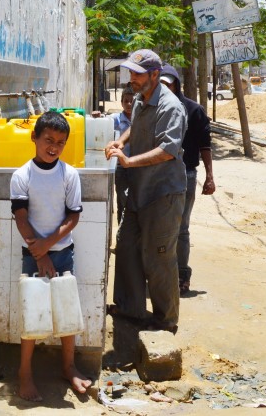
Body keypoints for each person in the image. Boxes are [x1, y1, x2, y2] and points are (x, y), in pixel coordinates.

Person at [10, 110, 92, 401]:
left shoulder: (69, 174)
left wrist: (49, 246)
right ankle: (25, 373)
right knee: (32, 312)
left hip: (62, 253)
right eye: (48, 140)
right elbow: (21, 219)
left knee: (66, 309)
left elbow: (73, 218)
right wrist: (39, 252)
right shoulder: (22, 176)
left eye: (60, 141)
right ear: (34, 138)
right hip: (33, 255)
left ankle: (68, 367)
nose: (53, 147)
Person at [105, 49, 187, 333]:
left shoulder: (171, 107)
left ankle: (165, 320)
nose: (132, 80)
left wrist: (129, 160)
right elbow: (135, 127)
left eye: (137, 74)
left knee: (159, 256)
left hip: (163, 193)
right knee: (126, 246)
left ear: (154, 75)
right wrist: (120, 142)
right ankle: (130, 308)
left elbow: (168, 150)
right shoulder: (141, 98)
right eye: (130, 73)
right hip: (139, 190)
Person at [159, 64, 216, 295]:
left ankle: (182, 275)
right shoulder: (154, 110)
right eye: (161, 85)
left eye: (168, 84)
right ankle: (160, 274)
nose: (165, 88)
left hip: (186, 175)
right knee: (160, 227)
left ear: (176, 84)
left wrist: (210, 177)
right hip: (159, 175)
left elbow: (205, 145)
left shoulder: (194, 110)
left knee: (181, 228)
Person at [110, 85, 135, 223]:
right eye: (126, 101)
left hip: (137, 166)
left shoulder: (140, 120)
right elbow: (103, 123)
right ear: (121, 103)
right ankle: (122, 233)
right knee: (122, 200)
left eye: (132, 101)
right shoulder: (116, 119)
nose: (129, 104)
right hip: (121, 167)